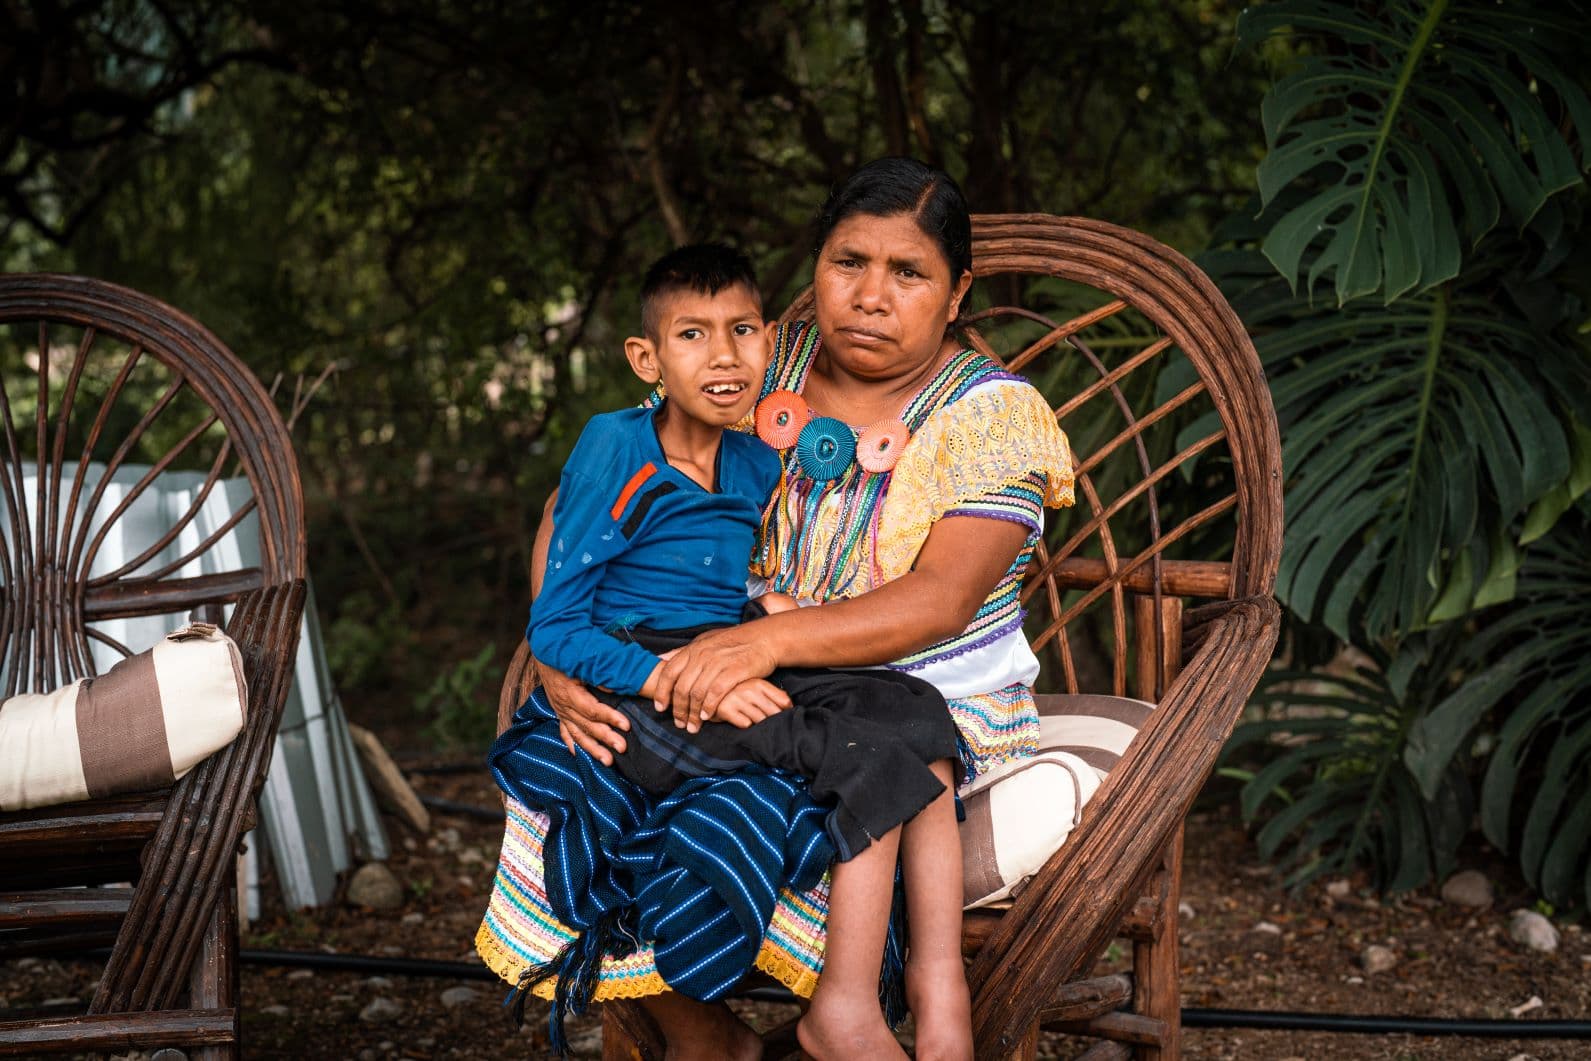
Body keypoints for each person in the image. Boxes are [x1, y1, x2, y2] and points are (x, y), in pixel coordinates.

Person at [476, 158, 1075, 1061]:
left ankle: (909, 1001)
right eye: (848, 264)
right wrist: (562, 657)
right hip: (732, 671)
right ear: (814, 268)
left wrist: (761, 643)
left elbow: (942, 599)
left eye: (907, 274)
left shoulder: (992, 415)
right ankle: (713, 1038)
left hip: (921, 694)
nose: (871, 297)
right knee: (593, 774)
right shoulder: (756, 364)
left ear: (955, 296)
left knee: (778, 781)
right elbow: (582, 506)